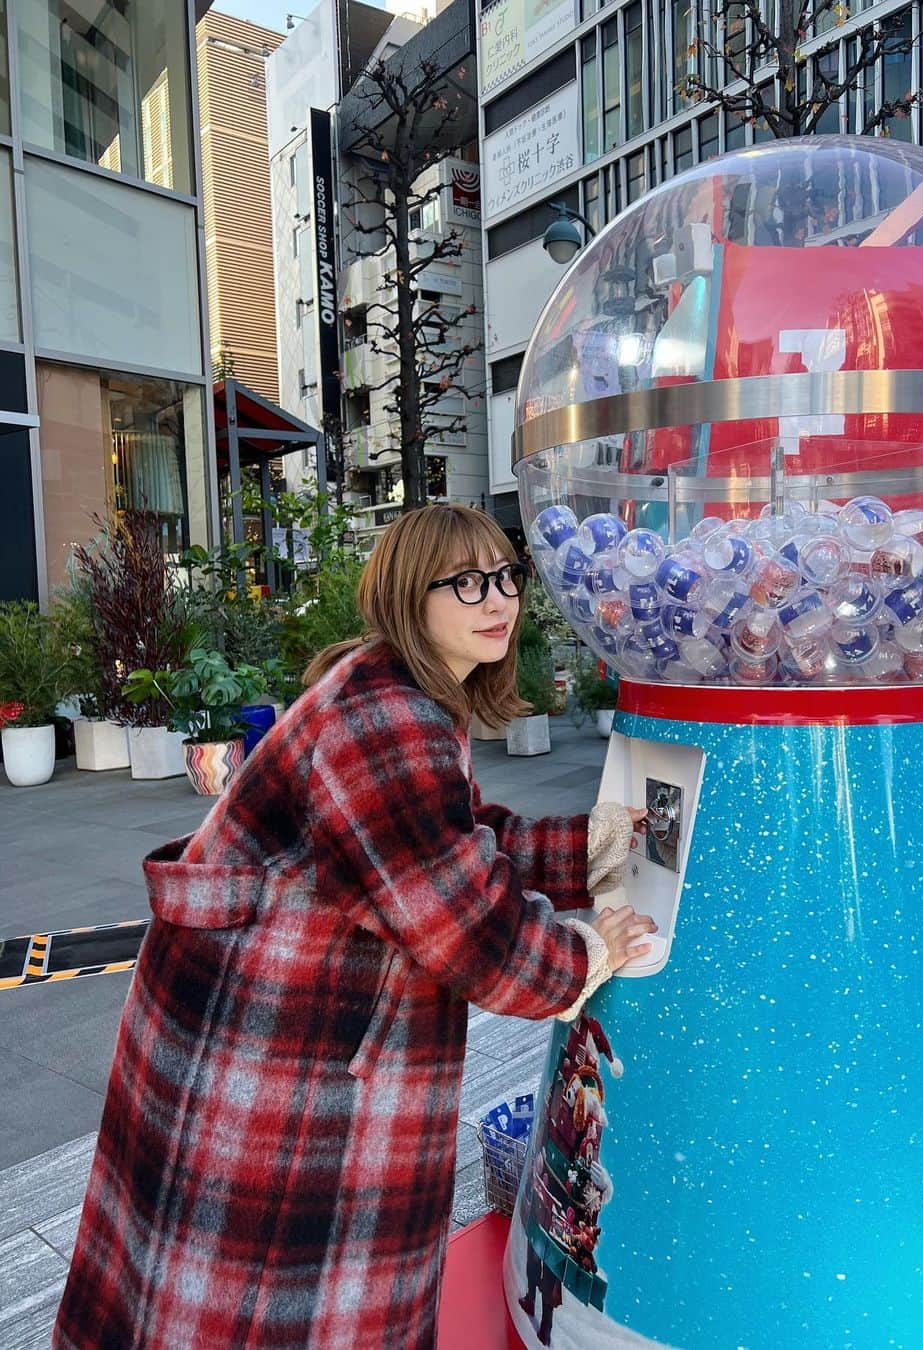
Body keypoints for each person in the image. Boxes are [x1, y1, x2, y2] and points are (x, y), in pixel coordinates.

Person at [53, 503, 655, 1350]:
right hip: (278, 1066)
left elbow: (456, 841)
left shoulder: (392, 691)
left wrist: (591, 845)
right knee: (262, 1304)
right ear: (413, 594)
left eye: (508, 577)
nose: (500, 601)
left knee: (203, 1295)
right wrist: (585, 953)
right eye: (468, 582)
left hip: (253, 1035)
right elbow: (470, 933)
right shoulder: (384, 717)